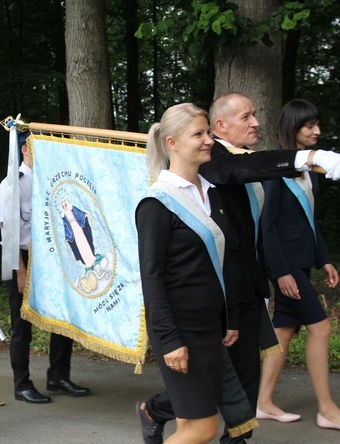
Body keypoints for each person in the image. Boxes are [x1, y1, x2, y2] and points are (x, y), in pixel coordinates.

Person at [136, 92, 340, 444]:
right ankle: (158, 409)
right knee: (206, 409)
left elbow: (259, 211)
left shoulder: (226, 168)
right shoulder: (208, 166)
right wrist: (308, 156)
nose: (256, 122)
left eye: (255, 114)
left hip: (241, 297)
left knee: (241, 390)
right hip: (203, 309)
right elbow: (236, 170)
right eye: (247, 116)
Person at [136, 103, 245, 443]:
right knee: (203, 427)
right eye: (198, 134)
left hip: (209, 327)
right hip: (180, 330)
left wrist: (228, 317)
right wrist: (169, 340)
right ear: (171, 143)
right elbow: (151, 277)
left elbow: (218, 265)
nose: (208, 140)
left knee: (189, 425)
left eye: (208, 133)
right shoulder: (156, 204)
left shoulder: (211, 194)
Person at [256, 99, 340, 431]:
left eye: (317, 123)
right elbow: (267, 226)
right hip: (286, 266)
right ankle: (328, 409)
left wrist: (325, 259)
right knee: (321, 328)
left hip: (302, 262)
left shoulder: (307, 170)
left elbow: (309, 221)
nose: (317, 131)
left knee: (284, 330)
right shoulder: (274, 170)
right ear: (292, 128)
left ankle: (262, 403)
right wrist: (281, 271)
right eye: (309, 125)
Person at [0, 130, 90, 404]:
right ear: (24, 149)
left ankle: (58, 376)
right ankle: (22, 384)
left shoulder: (52, 180)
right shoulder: (14, 183)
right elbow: (9, 234)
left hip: (54, 260)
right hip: (23, 260)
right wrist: (20, 271)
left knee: (62, 320)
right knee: (21, 326)